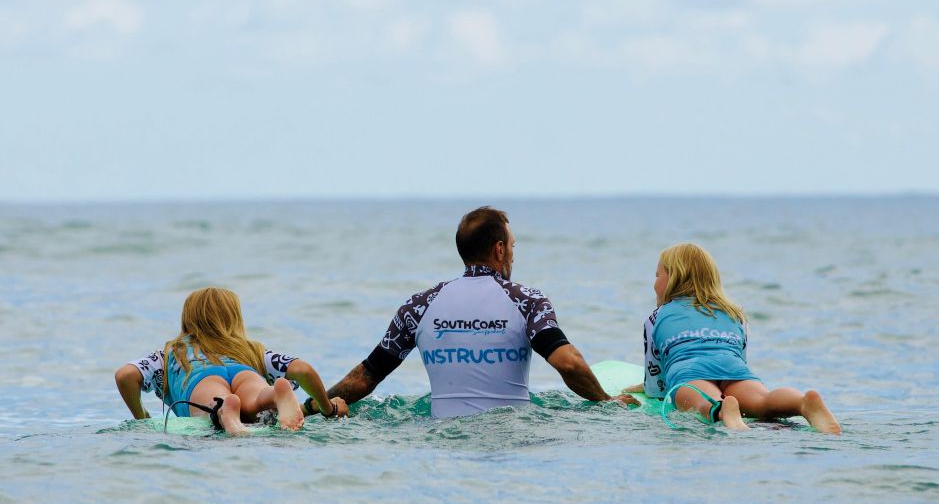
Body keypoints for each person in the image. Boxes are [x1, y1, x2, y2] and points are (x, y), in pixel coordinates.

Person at [308, 206, 638, 418]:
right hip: (513, 432)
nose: (512, 255)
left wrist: (312, 406)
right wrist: (605, 401)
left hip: (441, 438)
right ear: (499, 250)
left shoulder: (419, 305)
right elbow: (568, 362)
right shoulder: (527, 301)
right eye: (512, 247)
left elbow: (365, 377)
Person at [631, 243, 841, 434]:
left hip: (689, 372)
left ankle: (722, 409)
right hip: (735, 370)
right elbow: (741, 356)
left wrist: (650, 390)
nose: (654, 282)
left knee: (702, 401)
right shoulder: (732, 312)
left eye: (657, 275)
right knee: (762, 401)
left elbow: (655, 373)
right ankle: (802, 403)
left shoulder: (657, 317)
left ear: (673, 278)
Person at [115, 287, 348, 435]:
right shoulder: (252, 349)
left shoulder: (170, 352)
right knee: (257, 399)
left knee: (217, 403)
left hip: (200, 380)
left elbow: (125, 375)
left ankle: (225, 410)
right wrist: (328, 409)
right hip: (244, 371)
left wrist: (141, 417)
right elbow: (303, 370)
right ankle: (274, 395)